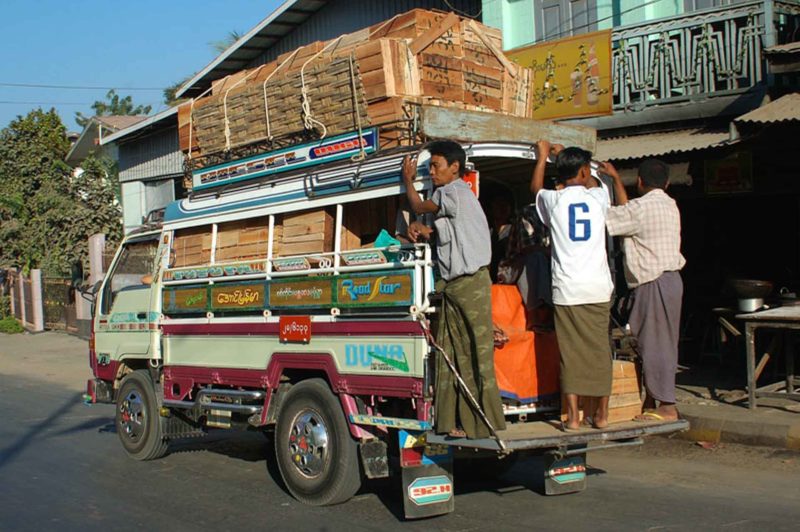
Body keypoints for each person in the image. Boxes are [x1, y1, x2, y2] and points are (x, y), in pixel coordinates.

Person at [402, 140, 506, 439]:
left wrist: (408, 180)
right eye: (430, 166)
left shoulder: (452, 191)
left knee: (474, 352)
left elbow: (419, 206)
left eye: (436, 166)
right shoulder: (459, 199)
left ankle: (483, 423)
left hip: (469, 284)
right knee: (453, 352)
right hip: (457, 286)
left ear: (455, 168)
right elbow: (449, 231)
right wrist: (428, 231)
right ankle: (459, 422)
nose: (432, 172)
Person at [530, 140, 614, 431]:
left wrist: (543, 157)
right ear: (582, 171)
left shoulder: (554, 200)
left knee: (570, 355)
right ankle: (602, 415)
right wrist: (566, 158)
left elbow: (536, 189)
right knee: (599, 352)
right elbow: (590, 181)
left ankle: (574, 417)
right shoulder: (598, 197)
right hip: (598, 288)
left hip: (567, 290)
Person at [603, 159, 685, 422]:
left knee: (656, 344)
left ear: (639, 181)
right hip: (669, 280)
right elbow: (628, 212)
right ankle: (652, 397)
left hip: (654, 281)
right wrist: (616, 181)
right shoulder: (668, 204)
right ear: (667, 183)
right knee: (656, 341)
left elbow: (611, 218)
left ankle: (667, 406)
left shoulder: (641, 208)